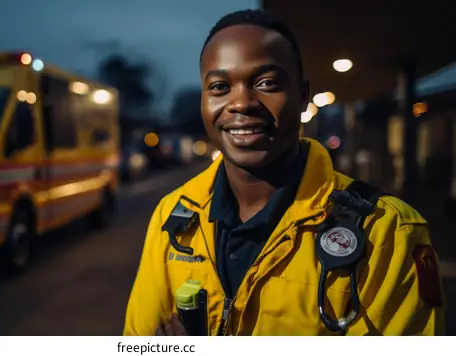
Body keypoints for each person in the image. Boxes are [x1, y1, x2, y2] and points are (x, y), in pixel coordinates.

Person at [122, 9, 445, 336]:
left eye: (267, 83)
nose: (242, 103)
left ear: (302, 96)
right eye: (220, 86)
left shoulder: (387, 231)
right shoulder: (173, 215)